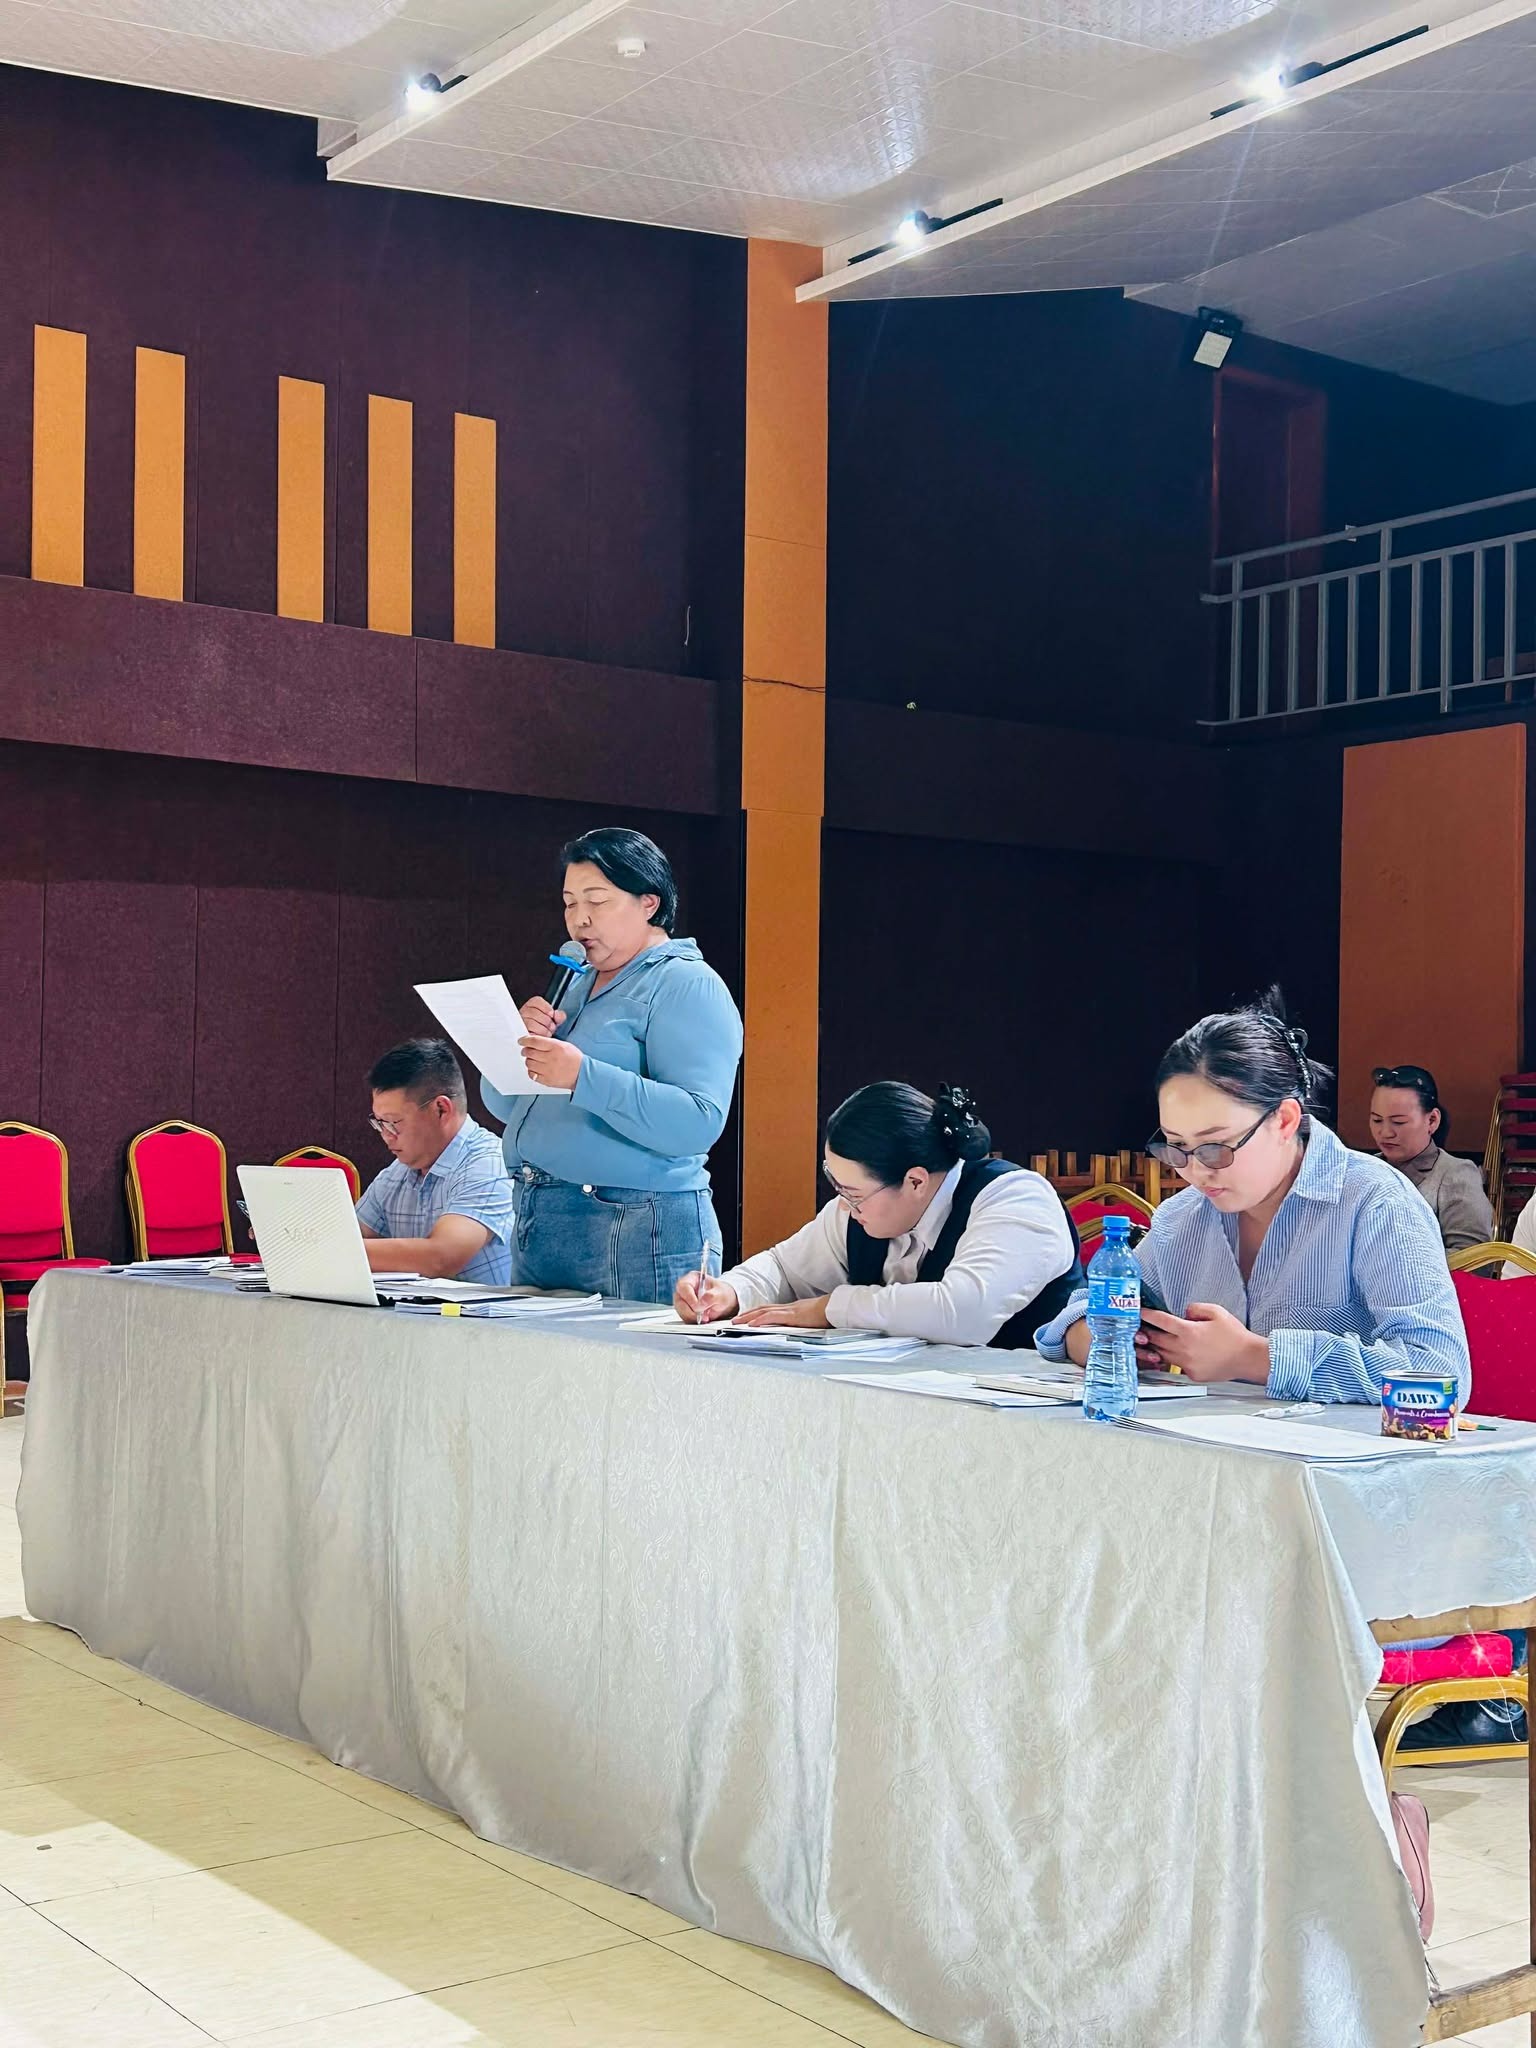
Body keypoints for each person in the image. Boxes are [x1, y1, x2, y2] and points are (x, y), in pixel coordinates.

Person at [1037, 989, 1471, 1404]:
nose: (1196, 1171)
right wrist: (1096, 1337)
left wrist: (1255, 1357)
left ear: (1284, 1120)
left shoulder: (1374, 1202)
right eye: (1176, 1147)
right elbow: (1077, 1316)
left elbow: (1440, 1371)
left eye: (1216, 1146)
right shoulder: (1185, 1216)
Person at [484, 827, 742, 1303]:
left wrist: (582, 1075)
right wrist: (515, 1048)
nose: (579, 919)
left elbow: (698, 1121)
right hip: (540, 1212)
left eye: (597, 900)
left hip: (633, 1221)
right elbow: (505, 1107)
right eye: (569, 903)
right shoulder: (576, 985)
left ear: (649, 902)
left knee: (630, 1356)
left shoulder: (686, 983)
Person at [674, 1081, 1082, 1346]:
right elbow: (784, 1268)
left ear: (915, 1181)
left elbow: (962, 1313)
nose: (845, 1208)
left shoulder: (1014, 1198)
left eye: (853, 1194)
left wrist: (830, 1309)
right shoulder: (859, 1211)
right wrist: (728, 1293)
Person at [355, 1038, 514, 1283]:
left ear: (441, 1109)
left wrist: (335, 1249)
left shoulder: (490, 1163)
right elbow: (354, 1234)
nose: (386, 1135)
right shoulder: (396, 1174)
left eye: (393, 1123)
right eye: (379, 1123)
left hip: (479, 1309)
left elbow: (441, 1257)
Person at [1368, 1063, 1494, 1253]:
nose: (1385, 1132)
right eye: (1377, 1120)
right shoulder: (1364, 1169)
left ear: (1432, 1120)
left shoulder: (1455, 1175)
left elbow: (1474, 1258)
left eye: (1398, 1122)